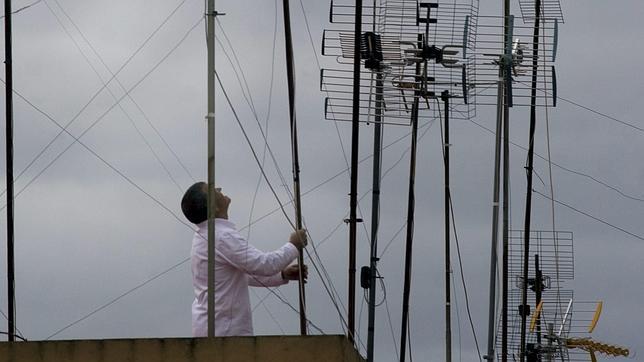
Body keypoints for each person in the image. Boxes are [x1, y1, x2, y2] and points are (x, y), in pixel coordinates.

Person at [181, 182, 308, 337]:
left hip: (214, 327)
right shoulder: (221, 236)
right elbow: (265, 265)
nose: (219, 189)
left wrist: (282, 275)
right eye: (213, 190)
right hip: (225, 332)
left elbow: (240, 275)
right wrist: (294, 245)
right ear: (213, 207)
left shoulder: (206, 235)